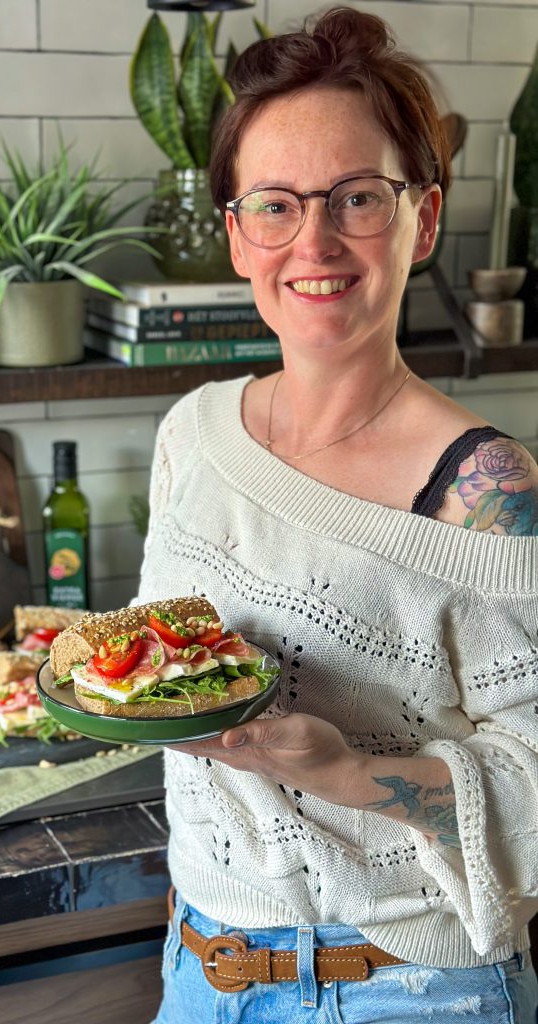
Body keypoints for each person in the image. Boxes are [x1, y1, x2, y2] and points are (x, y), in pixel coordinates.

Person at [136, 7, 538, 1022]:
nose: (313, 241)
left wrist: (354, 771)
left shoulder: (491, 492)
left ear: (425, 217)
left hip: (409, 987)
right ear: (236, 233)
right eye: (274, 204)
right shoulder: (191, 434)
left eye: (358, 197)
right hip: (203, 967)